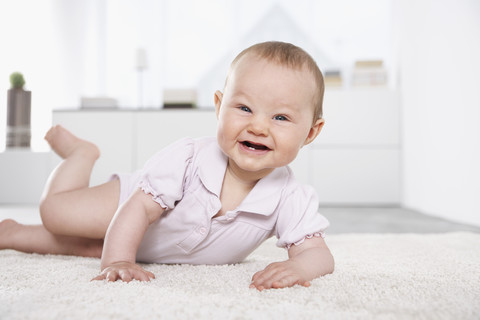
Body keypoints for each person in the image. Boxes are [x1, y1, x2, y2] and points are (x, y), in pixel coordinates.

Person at [0, 41, 334, 290]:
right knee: (58, 216)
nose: (258, 127)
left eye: (280, 117)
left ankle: (13, 233)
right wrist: (118, 261)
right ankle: (81, 156)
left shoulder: (290, 196)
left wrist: (301, 269)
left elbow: (318, 254)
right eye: (244, 108)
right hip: (126, 203)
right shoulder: (189, 159)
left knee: (86, 246)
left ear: (311, 132)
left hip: (150, 246)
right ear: (219, 107)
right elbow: (139, 210)